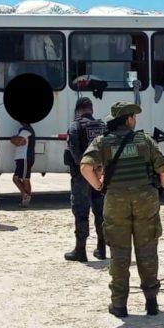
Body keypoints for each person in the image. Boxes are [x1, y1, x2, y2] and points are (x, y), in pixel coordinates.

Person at [79, 102, 164, 319]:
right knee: (147, 250)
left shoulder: (102, 142)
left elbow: (85, 167)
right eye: (133, 118)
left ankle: (119, 305)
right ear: (128, 120)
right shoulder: (145, 140)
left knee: (119, 253)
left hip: (115, 200)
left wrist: (99, 186)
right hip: (145, 198)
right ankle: (151, 302)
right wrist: (158, 188)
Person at [64, 97, 108, 262]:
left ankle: (80, 250)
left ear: (78, 110)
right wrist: (99, 169)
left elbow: (75, 154)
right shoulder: (103, 125)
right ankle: (102, 248)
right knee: (100, 212)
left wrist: (87, 168)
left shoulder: (75, 126)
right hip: (100, 174)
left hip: (82, 176)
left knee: (81, 212)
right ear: (91, 109)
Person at [11, 121, 36, 207]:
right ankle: (25, 195)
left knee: (25, 179)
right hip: (21, 158)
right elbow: (18, 141)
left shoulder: (26, 130)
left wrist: (13, 139)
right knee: (16, 178)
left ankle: (26, 198)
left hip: (25, 157)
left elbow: (18, 141)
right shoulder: (23, 130)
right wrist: (15, 139)